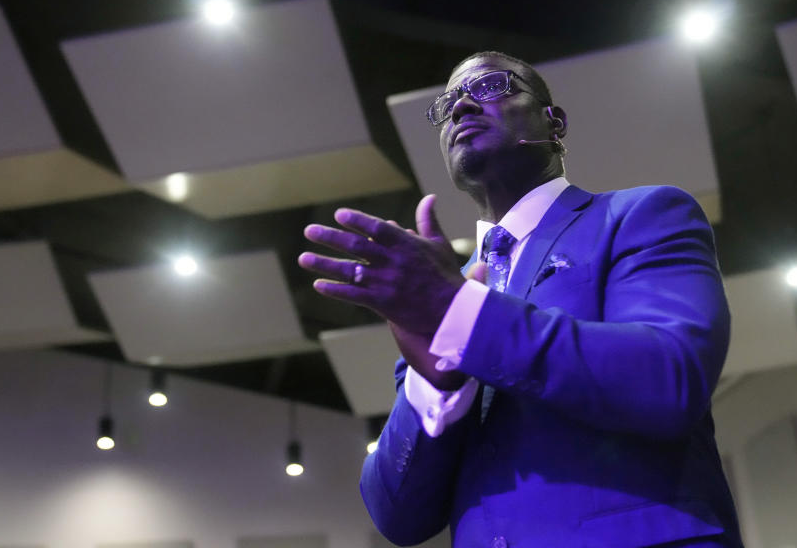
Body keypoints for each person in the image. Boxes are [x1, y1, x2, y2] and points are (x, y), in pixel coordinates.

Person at [299, 51, 743, 547]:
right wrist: (435, 387)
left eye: (489, 86)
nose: (462, 108)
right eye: (447, 105)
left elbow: (670, 377)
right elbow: (396, 516)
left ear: (553, 121)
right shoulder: (439, 292)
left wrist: (465, 316)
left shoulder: (641, 215)